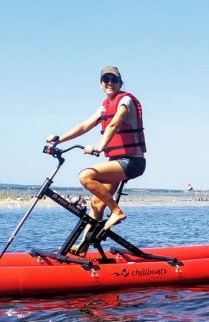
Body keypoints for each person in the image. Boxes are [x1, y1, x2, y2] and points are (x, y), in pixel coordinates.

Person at [48, 66, 146, 234]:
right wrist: (59, 140)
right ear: (101, 84)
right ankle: (82, 249)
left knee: (86, 175)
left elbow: (115, 123)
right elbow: (84, 126)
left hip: (132, 161)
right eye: (105, 80)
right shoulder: (104, 107)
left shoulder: (125, 101)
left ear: (120, 83)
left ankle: (116, 212)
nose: (110, 83)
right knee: (96, 203)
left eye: (114, 80)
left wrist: (99, 147)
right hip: (116, 162)